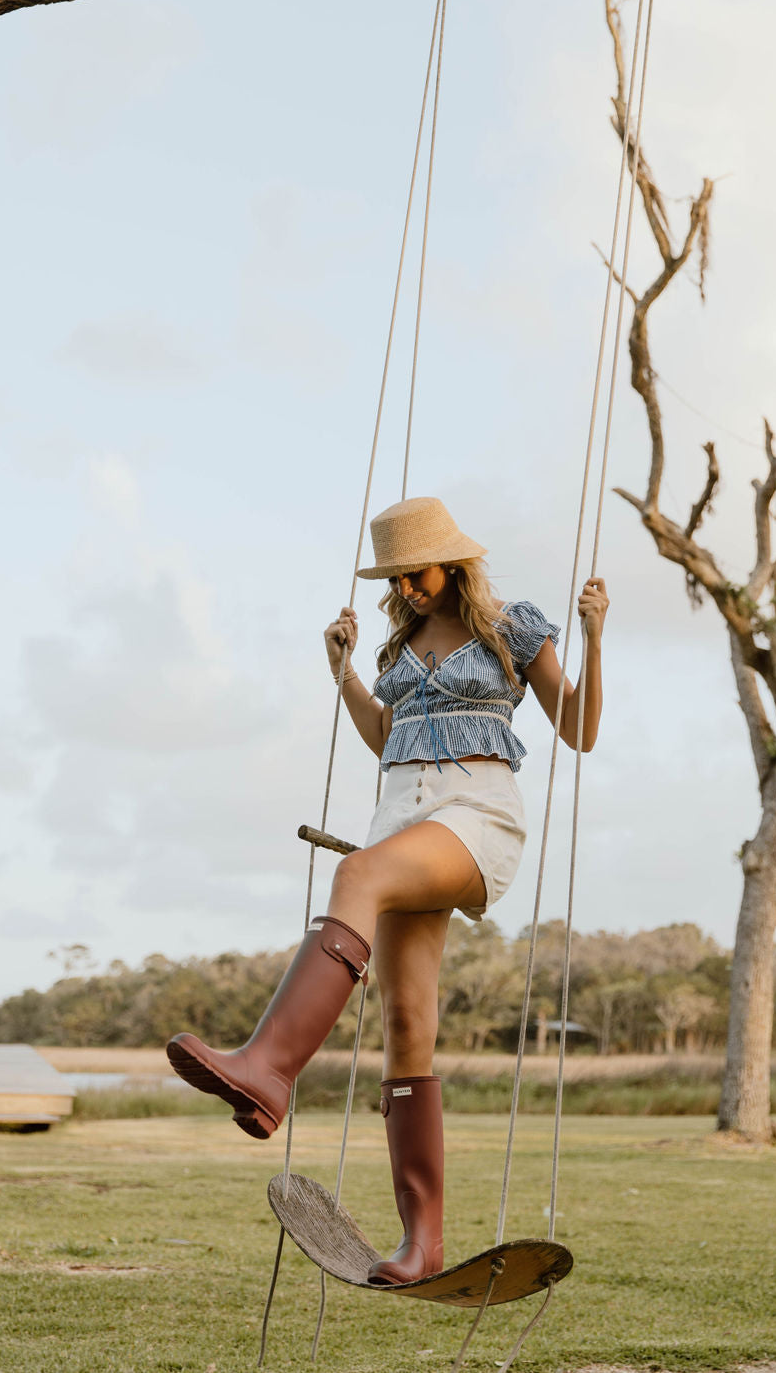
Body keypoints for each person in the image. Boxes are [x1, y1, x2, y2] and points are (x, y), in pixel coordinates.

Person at [167, 496, 608, 1285]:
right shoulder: (399, 647)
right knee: (406, 1023)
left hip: (475, 815)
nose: (405, 589)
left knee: (356, 874)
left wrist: (594, 638)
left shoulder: (512, 625)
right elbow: (385, 738)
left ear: (453, 562)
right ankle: (422, 1243)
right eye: (395, 579)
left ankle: (268, 1068)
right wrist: (343, 671)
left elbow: (579, 728)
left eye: (416, 573)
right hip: (400, 816)